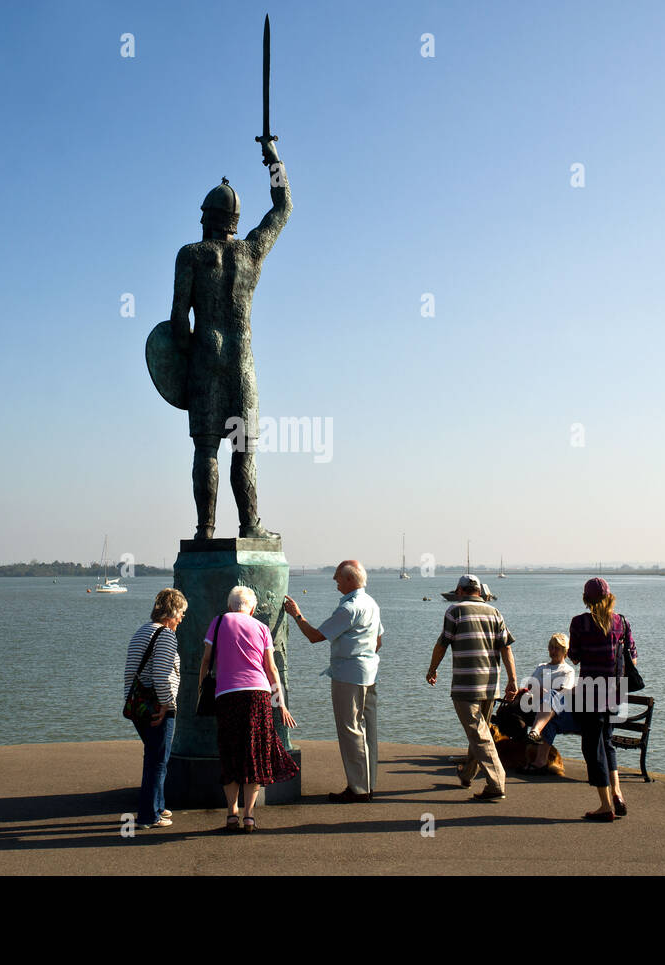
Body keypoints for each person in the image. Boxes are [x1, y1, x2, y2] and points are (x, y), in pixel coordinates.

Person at [167, 138, 292, 540]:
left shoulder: (191, 254)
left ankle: (205, 530)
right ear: (236, 221)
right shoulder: (251, 252)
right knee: (244, 450)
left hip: (206, 361)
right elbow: (283, 208)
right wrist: (274, 161)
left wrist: (185, 358)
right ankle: (250, 526)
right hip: (242, 366)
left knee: (206, 450)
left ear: (206, 218)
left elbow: (177, 319)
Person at [200, 585, 298, 832]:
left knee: (230, 750)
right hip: (259, 695)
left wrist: (202, 687)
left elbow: (206, 659)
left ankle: (231, 812)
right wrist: (281, 703)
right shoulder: (262, 628)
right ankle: (249, 815)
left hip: (227, 694)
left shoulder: (219, 622)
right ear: (252, 608)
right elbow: (271, 669)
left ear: (230, 605)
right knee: (254, 753)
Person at [283, 560, 383, 803]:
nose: (335, 581)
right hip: (369, 672)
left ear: (350, 580)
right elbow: (378, 640)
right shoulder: (371, 603)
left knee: (350, 730)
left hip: (348, 674)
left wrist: (297, 615)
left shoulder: (349, 608)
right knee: (368, 729)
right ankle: (369, 783)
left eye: (338, 577)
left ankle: (358, 788)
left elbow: (316, 636)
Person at [426, 574, 517, 800]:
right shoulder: (495, 612)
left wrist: (432, 669)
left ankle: (497, 781)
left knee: (478, 733)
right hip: (491, 684)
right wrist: (512, 679)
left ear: (459, 590)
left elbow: (442, 643)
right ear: (479, 591)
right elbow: (506, 648)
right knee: (480, 730)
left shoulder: (454, 611)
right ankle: (467, 775)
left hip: (466, 684)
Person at [568, 577, 638, 821]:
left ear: (587, 599)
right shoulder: (622, 622)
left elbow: (574, 658)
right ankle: (617, 791)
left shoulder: (580, 623)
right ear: (609, 596)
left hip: (589, 691)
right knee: (607, 741)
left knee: (591, 746)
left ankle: (605, 805)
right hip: (615, 693)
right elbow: (633, 659)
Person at [123, 588, 188, 830]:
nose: (182, 618)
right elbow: (161, 675)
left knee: (154, 757)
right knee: (157, 761)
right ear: (171, 612)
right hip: (157, 707)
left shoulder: (142, 631)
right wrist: (166, 704)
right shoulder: (166, 636)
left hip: (138, 705)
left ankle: (158, 806)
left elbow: (132, 672)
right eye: (181, 613)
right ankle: (149, 815)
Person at [523, 633, 578, 772]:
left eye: (557, 648)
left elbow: (563, 692)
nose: (553, 651)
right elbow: (530, 686)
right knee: (549, 718)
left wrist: (542, 690)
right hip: (536, 708)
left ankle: (535, 731)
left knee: (552, 697)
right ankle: (538, 761)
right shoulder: (541, 667)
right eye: (551, 647)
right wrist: (540, 690)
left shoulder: (567, 670)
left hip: (559, 709)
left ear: (565, 651)